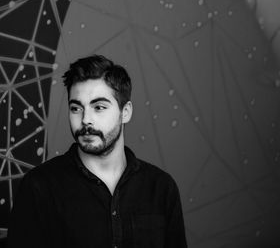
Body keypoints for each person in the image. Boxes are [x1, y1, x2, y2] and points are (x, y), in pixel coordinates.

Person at [7, 55, 187, 248]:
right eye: (76, 108)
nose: (86, 120)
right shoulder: (38, 187)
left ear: (125, 112)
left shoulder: (161, 188)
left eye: (99, 107)